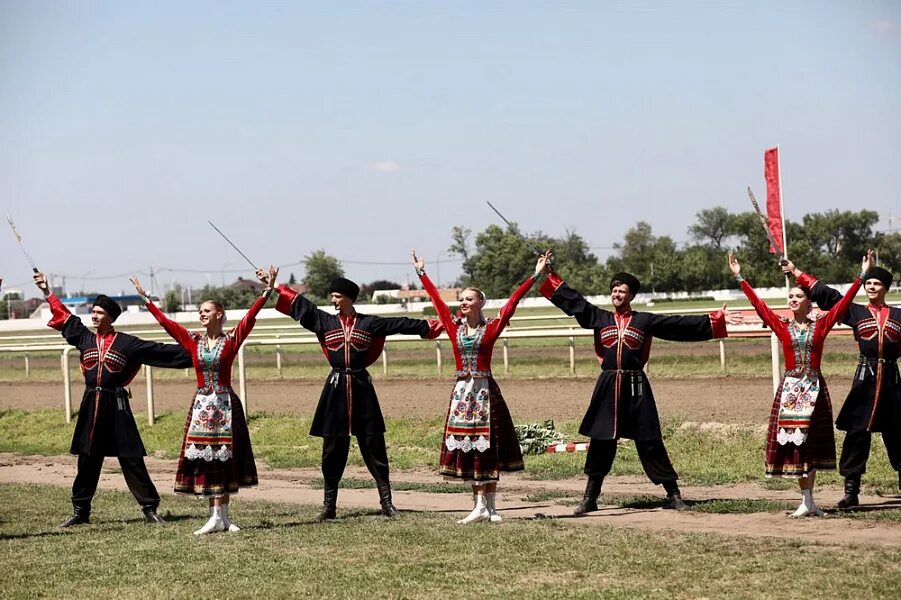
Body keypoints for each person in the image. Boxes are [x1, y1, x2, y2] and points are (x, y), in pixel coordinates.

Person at [538, 265, 739, 513]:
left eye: (622, 291)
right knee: (601, 441)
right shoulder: (599, 318)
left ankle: (673, 494)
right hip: (608, 387)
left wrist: (715, 320)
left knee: (650, 440)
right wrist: (549, 275)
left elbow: (677, 325)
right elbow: (575, 302)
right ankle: (590, 498)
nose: (617, 295)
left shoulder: (644, 320)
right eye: (614, 290)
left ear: (631, 296)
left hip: (636, 386)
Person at [33, 272, 192, 528]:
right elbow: (64, 317)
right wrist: (47, 291)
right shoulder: (84, 338)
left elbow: (162, 352)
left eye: (98, 313)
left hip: (116, 405)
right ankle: (80, 511)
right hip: (90, 406)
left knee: (131, 458)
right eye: (93, 312)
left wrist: (202, 348)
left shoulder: (127, 344)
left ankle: (149, 508)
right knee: (87, 459)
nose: (93, 316)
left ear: (110, 317)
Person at [270, 274, 435, 520]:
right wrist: (275, 287)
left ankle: (387, 503)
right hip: (335, 391)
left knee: (374, 445)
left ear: (349, 298)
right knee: (332, 449)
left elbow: (400, 324)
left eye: (337, 296)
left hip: (362, 389)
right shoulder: (324, 321)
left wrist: (429, 326)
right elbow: (301, 305)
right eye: (332, 296)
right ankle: (329, 506)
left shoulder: (369, 324)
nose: (333, 301)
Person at [130, 268, 277, 534]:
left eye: (206, 311)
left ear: (219, 314)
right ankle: (213, 515)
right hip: (201, 408)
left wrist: (267, 291)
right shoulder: (193, 341)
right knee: (208, 460)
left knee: (226, 459)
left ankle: (224, 516)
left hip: (225, 405)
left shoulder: (231, 339)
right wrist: (146, 300)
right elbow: (168, 325)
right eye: (200, 311)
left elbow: (250, 317)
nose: (201, 314)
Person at [412, 249, 552, 524]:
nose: (463, 302)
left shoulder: (491, 329)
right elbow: (436, 301)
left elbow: (513, 302)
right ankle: (478, 505)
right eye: (461, 299)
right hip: (463, 396)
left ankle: (490, 506)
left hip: (486, 392)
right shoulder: (453, 327)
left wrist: (535, 275)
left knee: (489, 447)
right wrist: (422, 273)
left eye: (468, 299)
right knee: (469, 446)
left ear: (480, 303)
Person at [730, 252, 869, 516]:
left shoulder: (822, 325)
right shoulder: (782, 326)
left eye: (798, 297)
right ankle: (805, 499)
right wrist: (740, 277)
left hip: (815, 389)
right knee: (796, 444)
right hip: (791, 389)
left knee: (812, 443)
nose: (793, 300)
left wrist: (861, 276)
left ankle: (810, 501)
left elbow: (844, 305)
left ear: (809, 302)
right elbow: (759, 305)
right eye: (791, 297)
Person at [784, 256, 899, 508]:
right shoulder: (855, 311)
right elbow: (827, 295)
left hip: (891, 382)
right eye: (868, 282)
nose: (870, 287)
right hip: (864, 381)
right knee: (857, 434)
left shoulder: (898, 316)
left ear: (886, 288)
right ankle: (851, 491)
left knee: (898, 433)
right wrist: (796, 272)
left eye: (876, 283)